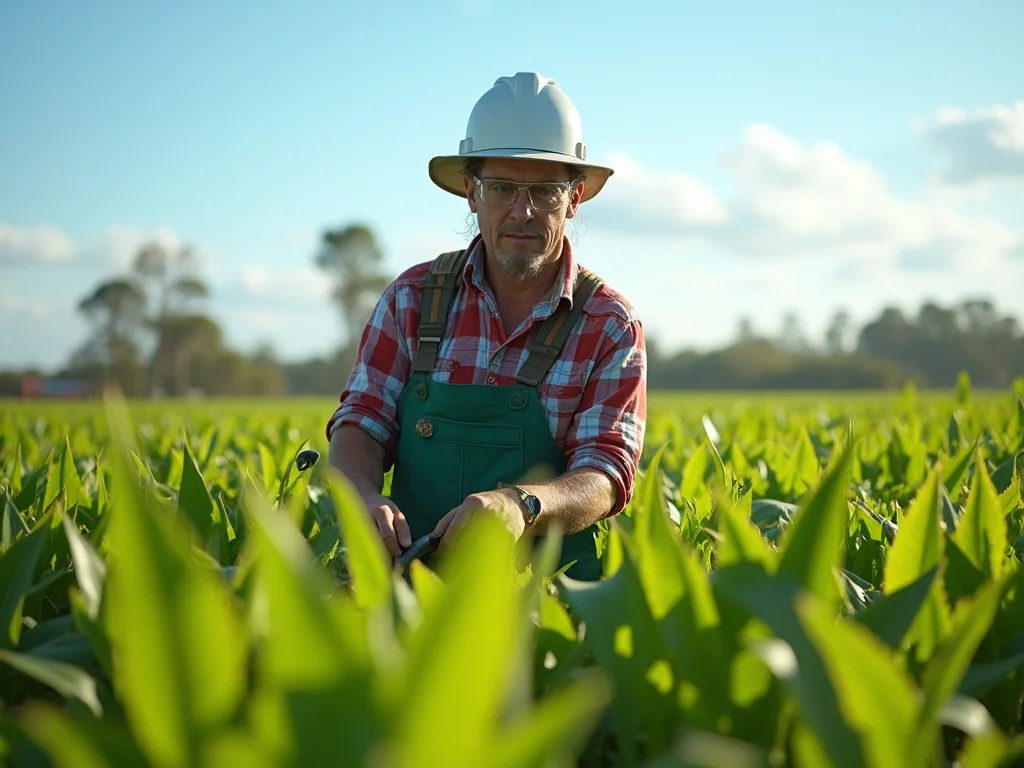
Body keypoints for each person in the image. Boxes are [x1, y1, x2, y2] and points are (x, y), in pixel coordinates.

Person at [325, 72, 646, 581]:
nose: (523, 211)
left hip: (544, 600)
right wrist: (363, 496)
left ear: (575, 197)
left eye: (544, 192)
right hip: (408, 582)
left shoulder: (609, 325)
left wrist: (524, 505)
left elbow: (605, 474)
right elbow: (361, 422)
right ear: (472, 194)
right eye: (501, 189)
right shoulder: (411, 300)